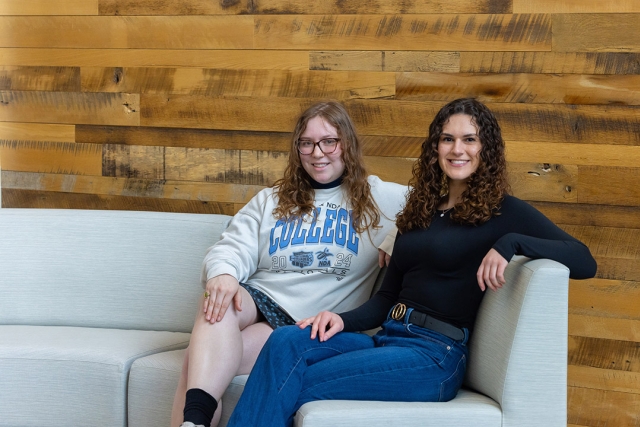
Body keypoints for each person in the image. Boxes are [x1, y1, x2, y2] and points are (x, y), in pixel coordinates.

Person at [226, 98, 598, 427]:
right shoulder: (419, 211)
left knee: (293, 381)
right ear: (436, 147)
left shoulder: (504, 213)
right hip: (390, 339)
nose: (457, 149)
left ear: (486, 149)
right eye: (447, 139)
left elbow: (584, 260)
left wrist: (510, 243)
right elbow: (386, 298)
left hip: (434, 356)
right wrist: (341, 319)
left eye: (469, 139)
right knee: (286, 341)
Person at [173, 100, 407, 427]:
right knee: (218, 299)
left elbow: (440, 205)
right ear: (297, 149)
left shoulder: (380, 198)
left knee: (195, 362)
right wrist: (224, 274)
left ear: (347, 145)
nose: (317, 152)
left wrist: (403, 235)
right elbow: (230, 246)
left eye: (329, 141)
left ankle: (192, 422)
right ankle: (194, 424)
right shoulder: (272, 199)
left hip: (308, 326)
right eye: (307, 143)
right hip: (261, 301)